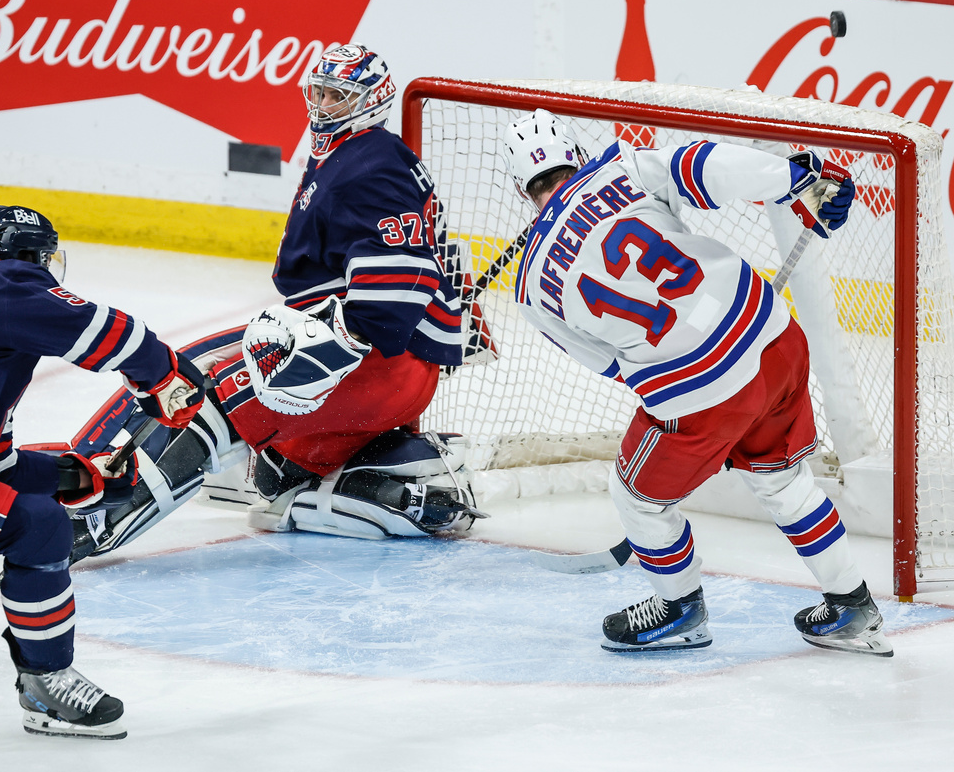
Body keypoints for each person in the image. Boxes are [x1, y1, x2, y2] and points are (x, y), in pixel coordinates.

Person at [62, 43, 481, 558]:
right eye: (319, 92)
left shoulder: (372, 164)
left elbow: (396, 282)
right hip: (380, 361)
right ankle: (361, 478)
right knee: (268, 468)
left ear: (373, 100)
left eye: (338, 96)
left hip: (376, 364)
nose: (323, 105)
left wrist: (339, 342)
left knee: (209, 401)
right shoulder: (354, 153)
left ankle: (91, 529)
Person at [499, 108, 891, 656]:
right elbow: (707, 165)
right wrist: (800, 176)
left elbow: (611, 365)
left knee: (635, 495)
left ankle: (680, 611)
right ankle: (852, 606)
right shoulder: (622, 168)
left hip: (698, 393)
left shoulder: (530, 289)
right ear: (577, 154)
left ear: (522, 189)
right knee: (780, 480)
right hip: (774, 337)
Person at [0, 205, 205, 738]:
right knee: (37, 527)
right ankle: (45, 686)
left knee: (33, 508)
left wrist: (74, 477)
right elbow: (117, 334)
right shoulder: (7, 290)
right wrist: (163, 379)